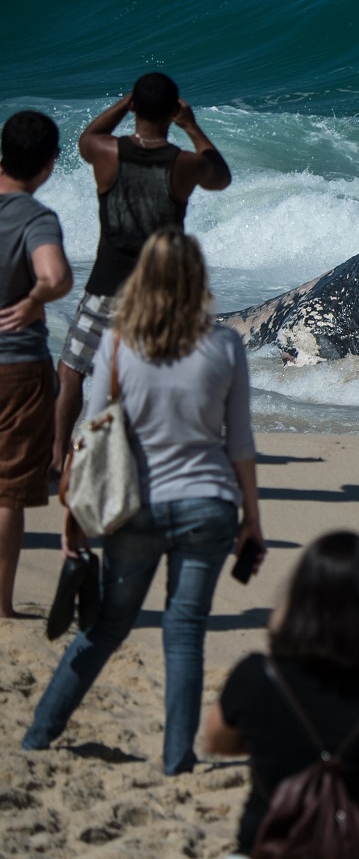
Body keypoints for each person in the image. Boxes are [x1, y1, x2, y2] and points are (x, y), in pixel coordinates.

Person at [23, 228, 262, 774]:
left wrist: (76, 514)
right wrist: (254, 518)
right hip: (209, 506)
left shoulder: (118, 343)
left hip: (137, 507)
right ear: (197, 280)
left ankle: (40, 734)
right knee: (185, 634)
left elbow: (93, 432)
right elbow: (241, 443)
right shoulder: (225, 345)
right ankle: (176, 757)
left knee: (105, 626)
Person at [203, 530, 359, 857]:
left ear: (298, 594)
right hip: (358, 846)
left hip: (271, 845)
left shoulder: (258, 674)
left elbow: (215, 743)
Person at [53, 73, 232, 477]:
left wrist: (124, 103)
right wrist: (191, 125)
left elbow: (85, 138)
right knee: (147, 375)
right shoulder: (184, 165)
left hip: (105, 286)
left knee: (71, 370)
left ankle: (58, 455)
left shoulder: (106, 152)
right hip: (159, 293)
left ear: (133, 107)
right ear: (173, 111)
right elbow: (221, 177)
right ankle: (138, 460)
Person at [0, 111, 73, 617]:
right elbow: (55, 274)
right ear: (49, 166)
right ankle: (1, 607)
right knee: (7, 494)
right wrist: (36, 298)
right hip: (16, 367)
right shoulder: (35, 217)